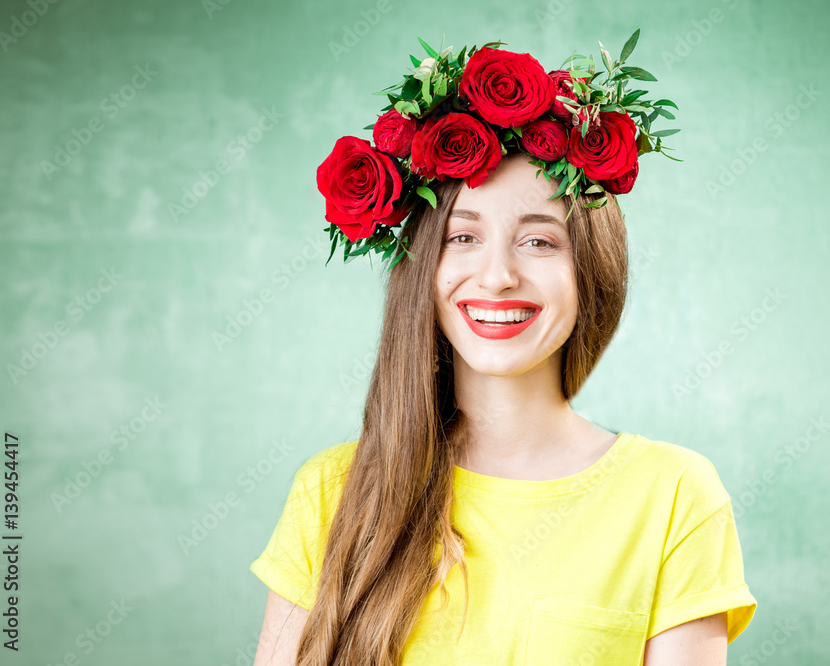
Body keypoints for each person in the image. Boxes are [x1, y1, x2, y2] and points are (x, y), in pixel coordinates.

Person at [250, 33, 756, 665]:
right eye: (463, 237)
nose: (496, 277)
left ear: (589, 272)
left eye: (540, 242)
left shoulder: (675, 495)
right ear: (423, 269)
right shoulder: (331, 492)